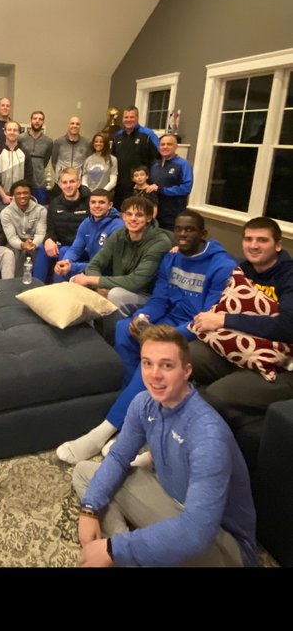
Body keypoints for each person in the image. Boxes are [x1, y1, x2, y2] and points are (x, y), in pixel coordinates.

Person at [57, 209, 235, 463]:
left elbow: (206, 318)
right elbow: (159, 299)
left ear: (203, 233)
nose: (183, 234)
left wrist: (165, 334)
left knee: (155, 351)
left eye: (190, 230)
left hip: (192, 329)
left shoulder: (222, 266)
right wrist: (143, 318)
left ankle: (106, 429)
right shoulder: (171, 258)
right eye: (179, 229)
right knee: (124, 328)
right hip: (168, 318)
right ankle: (135, 409)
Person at [72, 325, 257, 568]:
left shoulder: (208, 434)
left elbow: (196, 533)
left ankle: (124, 551)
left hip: (221, 544)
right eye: (147, 363)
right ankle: (124, 546)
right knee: (84, 473)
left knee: (176, 535)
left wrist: (113, 550)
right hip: (173, 503)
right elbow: (118, 457)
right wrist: (89, 510)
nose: (154, 375)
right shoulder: (143, 403)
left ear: (186, 371)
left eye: (167, 365)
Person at [190, 216, 293, 424]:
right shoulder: (243, 271)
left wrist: (225, 320)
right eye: (248, 239)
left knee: (215, 396)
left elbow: (287, 326)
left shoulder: (289, 276)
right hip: (237, 348)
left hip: (277, 364)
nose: (253, 246)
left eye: (262, 240)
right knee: (174, 356)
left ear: (278, 245)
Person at [70, 195, 172, 314]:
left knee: (115, 294)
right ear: (123, 216)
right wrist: (100, 287)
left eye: (139, 215)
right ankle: (89, 325)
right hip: (120, 287)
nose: (133, 219)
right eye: (129, 214)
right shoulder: (119, 235)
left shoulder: (160, 242)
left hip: (148, 296)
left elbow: (135, 282)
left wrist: (93, 280)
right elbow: (94, 265)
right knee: (75, 280)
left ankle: (111, 326)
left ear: (149, 218)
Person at [32, 168, 90, 283]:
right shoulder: (54, 204)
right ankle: (36, 286)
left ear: (78, 183)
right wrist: (48, 239)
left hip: (83, 248)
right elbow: (51, 229)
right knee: (43, 248)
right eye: (64, 182)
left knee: (64, 250)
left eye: (72, 182)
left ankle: (58, 289)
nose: (68, 186)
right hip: (63, 244)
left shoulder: (89, 202)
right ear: (59, 184)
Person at [53, 191, 124, 282]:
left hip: (108, 272)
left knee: (71, 270)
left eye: (101, 202)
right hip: (92, 266)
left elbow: (105, 263)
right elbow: (75, 249)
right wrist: (65, 262)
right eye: (93, 202)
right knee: (63, 261)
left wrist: (73, 267)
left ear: (110, 205)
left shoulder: (118, 226)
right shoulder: (86, 223)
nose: (97, 206)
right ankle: (57, 288)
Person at [112, 106, 159, 209]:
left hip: (140, 186)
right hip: (121, 185)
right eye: (126, 117)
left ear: (137, 118)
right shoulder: (117, 136)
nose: (128, 120)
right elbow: (113, 159)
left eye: (132, 117)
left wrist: (152, 181)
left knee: (138, 212)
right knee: (121, 211)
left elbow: (157, 158)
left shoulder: (148, 134)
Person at [145, 134, 193, 231]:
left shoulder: (183, 164)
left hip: (173, 213)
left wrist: (163, 190)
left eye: (169, 144)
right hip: (154, 212)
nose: (165, 147)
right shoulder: (154, 164)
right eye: (162, 144)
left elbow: (186, 188)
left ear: (176, 147)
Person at [0, 180, 47, 275]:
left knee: (42, 250)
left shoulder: (41, 210)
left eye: (25, 193)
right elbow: (11, 237)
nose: (22, 196)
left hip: (35, 242)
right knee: (13, 253)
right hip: (16, 244)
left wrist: (34, 244)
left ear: (30, 194)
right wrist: (22, 245)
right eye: (18, 193)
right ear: (13, 195)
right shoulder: (5, 213)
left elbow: (41, 233)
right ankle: (13, 283)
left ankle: (39, 282)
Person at [0, 121, 34, 205]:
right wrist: (3, 196)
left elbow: (29, 177)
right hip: (0, 197)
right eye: (9, 130)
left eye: (15, 130)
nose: (12, 132)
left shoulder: (25, 153)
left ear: (19, 133)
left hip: (20, 197)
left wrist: (20, 195)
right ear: (5, 132)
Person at [18, 111, 53, 205]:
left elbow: (46, 160)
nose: (37, 121)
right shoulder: (20, 138)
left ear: (43, 122)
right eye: (35, 118)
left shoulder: (48, 141)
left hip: (39, 183)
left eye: (40, 119)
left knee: (39, 209)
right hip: (23, 181)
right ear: (30, 121)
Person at [50, 116, 90, 186]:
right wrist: (60, 174)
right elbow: (54, 161)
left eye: (77, 124)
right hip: (61, 182)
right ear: (68, 125)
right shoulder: (58, 142)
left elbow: (88, 163)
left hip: (78, 182)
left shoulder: (87, 143)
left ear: (80, 126)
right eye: (72, 123)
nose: (75, 126)